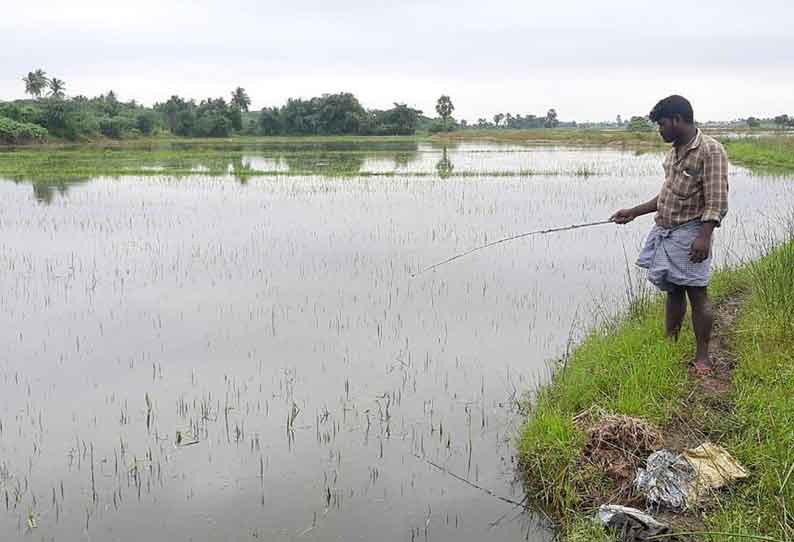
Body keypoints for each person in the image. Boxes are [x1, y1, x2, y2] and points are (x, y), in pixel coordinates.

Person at [611, 95, 729, 376]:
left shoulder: (710, 151)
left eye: (662, 124)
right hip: (666, 230)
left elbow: (717, 200)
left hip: (691, 231)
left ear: (677, 120)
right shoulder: (675, 151)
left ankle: (703, 357)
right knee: (673, 289)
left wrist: (704, 237)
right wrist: (634, 212)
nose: (660, 130)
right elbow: (667, 194)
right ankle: (670, 343)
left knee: (697, 292)